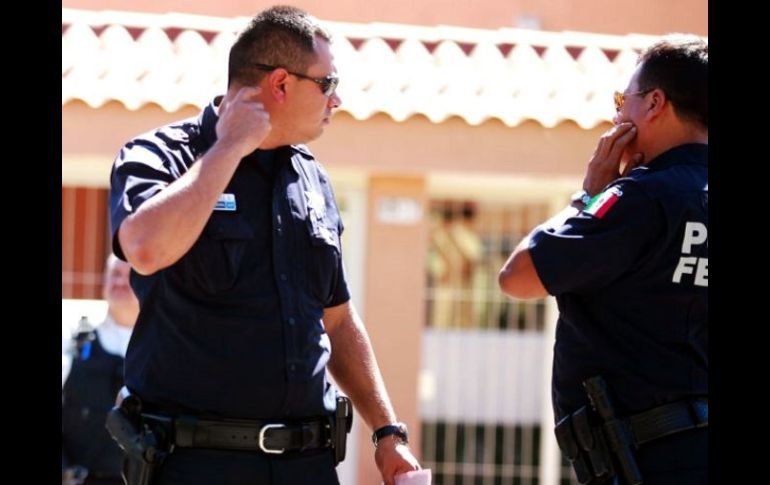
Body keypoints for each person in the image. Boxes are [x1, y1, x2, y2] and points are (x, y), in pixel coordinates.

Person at [108, 5, 420, 485]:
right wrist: (229, 147)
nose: (336, 100)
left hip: (307, 465)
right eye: (327, 84)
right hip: (197, 465)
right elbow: (145, 250)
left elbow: (335, 319)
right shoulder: (159, 156)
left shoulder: (312, 178)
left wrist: (386, 431)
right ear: (280, 83)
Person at [498, 34, 707, 484]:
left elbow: (517, 277)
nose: (616, 115)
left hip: (647, 460)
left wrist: (590, 194)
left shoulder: (640, 197)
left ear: (654, 103)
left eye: (621, 100)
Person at [62, 255, 140, 485]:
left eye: (131, 276)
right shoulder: (73, 341)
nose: (120, 283)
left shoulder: (161, 351)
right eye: (115, 274)